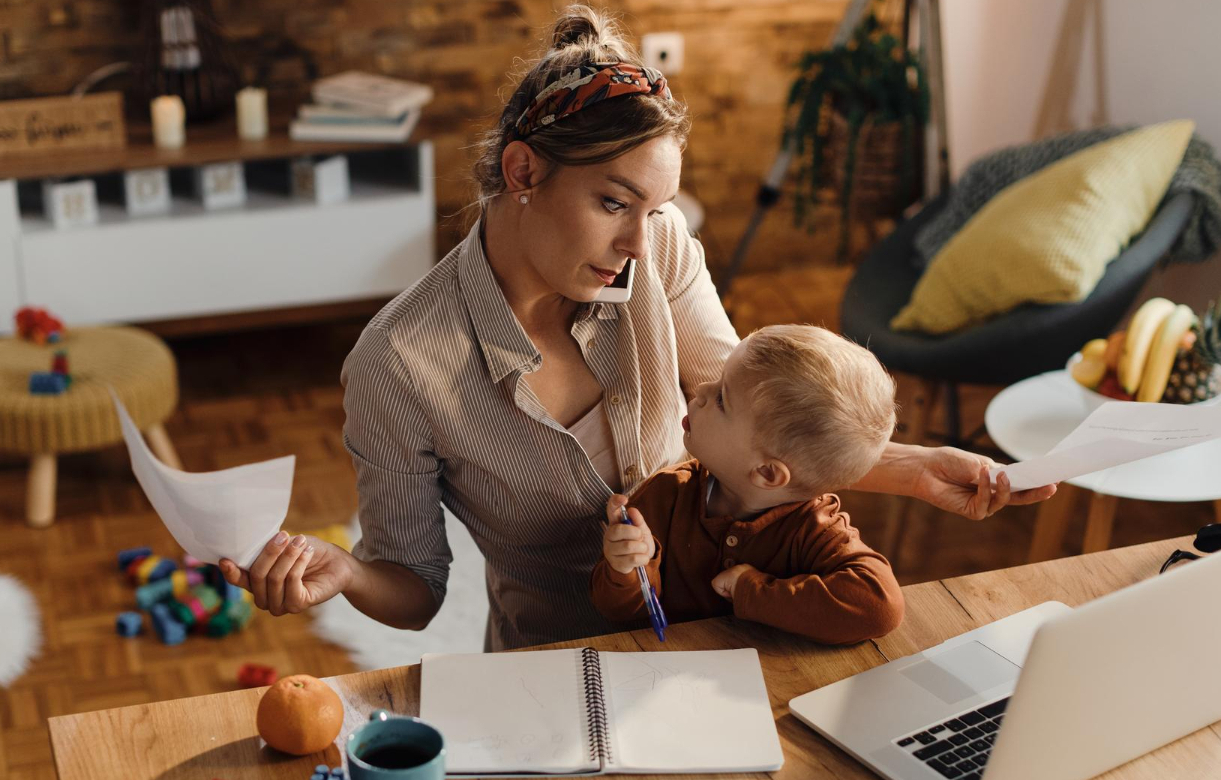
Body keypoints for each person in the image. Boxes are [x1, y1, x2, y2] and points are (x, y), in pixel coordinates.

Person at [220, 6, 1055, 651]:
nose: (637, 242)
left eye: (653, 210)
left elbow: (755, 410)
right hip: (556, 665)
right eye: (615, 203)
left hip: (719, 640)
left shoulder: (657, 247)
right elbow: (417, 590)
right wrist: (349, 575)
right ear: (523, 172)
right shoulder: (399, 363)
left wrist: (909, 470)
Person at [592, 325, 904, 644]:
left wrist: (753, 590)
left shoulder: (817, 530)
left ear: (767, 473)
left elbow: (881, 607)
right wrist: (626, 569)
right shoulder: (665, 495)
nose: (700, 390)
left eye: (722, 399)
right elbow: (616, 610)